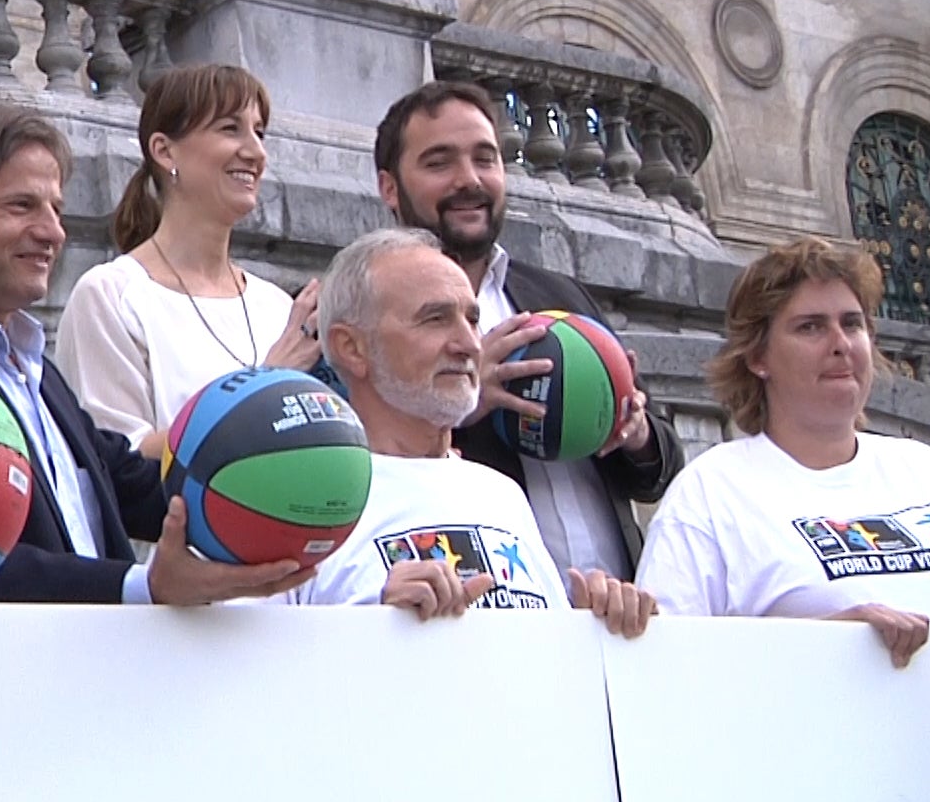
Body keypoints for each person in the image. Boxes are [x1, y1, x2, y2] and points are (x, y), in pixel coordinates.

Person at [0, 102, 311, 606]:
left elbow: (126, 481)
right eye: (21, 206)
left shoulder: (30, 363)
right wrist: (139, 587)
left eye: (56, 210)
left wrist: (277, 496)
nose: (52, 232)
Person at [373, 80, 683, 583]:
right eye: (439, 163)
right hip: (479, 612)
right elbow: (349, 467)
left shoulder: (562, 298)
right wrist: (463, 406)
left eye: (485, 158)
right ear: (390, 187)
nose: (468, 180)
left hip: (614, 617)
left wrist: (634, 431)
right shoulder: (359, 309)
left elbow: (659, 470)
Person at [281, 228, 653, 637]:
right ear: (352, 348)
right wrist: (375, 629)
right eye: (435, 319)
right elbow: (248, 677)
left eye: (472, 319)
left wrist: (599, 620)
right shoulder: (297, 505)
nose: (468, 344)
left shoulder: (502, 493)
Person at [637, 238, 930, 668]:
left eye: (853, 324)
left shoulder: (929, 471)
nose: (840, 343)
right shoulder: (710, 494)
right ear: (757, 356)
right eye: (810, 326)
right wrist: (817, 648)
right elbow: (663, 667)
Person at [57, 64, 321, 461]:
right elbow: (118, 460)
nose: (256, 152)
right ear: (164, 151)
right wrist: (268, 386)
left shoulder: (277, 306)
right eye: (230, 129)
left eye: (259, 132)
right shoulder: (110, 295)